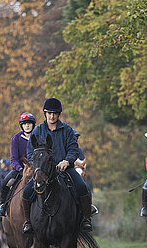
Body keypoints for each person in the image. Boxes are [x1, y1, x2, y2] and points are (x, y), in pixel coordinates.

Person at [20, 98, 93, 235]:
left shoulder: (67, 130)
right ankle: (28, 222)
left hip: (64, 168)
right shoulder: (37, 131)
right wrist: (38, 165)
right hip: (43, 171)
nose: (52, 116)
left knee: (83, 187)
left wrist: (67, 161)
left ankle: (86, 219)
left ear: (59, 114)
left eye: (54, 113)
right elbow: (30, 152)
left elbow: (73, 149)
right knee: (26, 193)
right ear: (45, 114)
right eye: (49, 113)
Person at [0, 112, 36, 218]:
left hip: (36, 169)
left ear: (33, 125)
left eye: (29, 123)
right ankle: (3, 205)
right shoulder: (16, 138)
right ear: (21, 125)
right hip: (20, 169)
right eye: (24, 123)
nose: (27, 125)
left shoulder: (37, 136)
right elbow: (13, 160)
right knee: (6, 183)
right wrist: (20, 168)